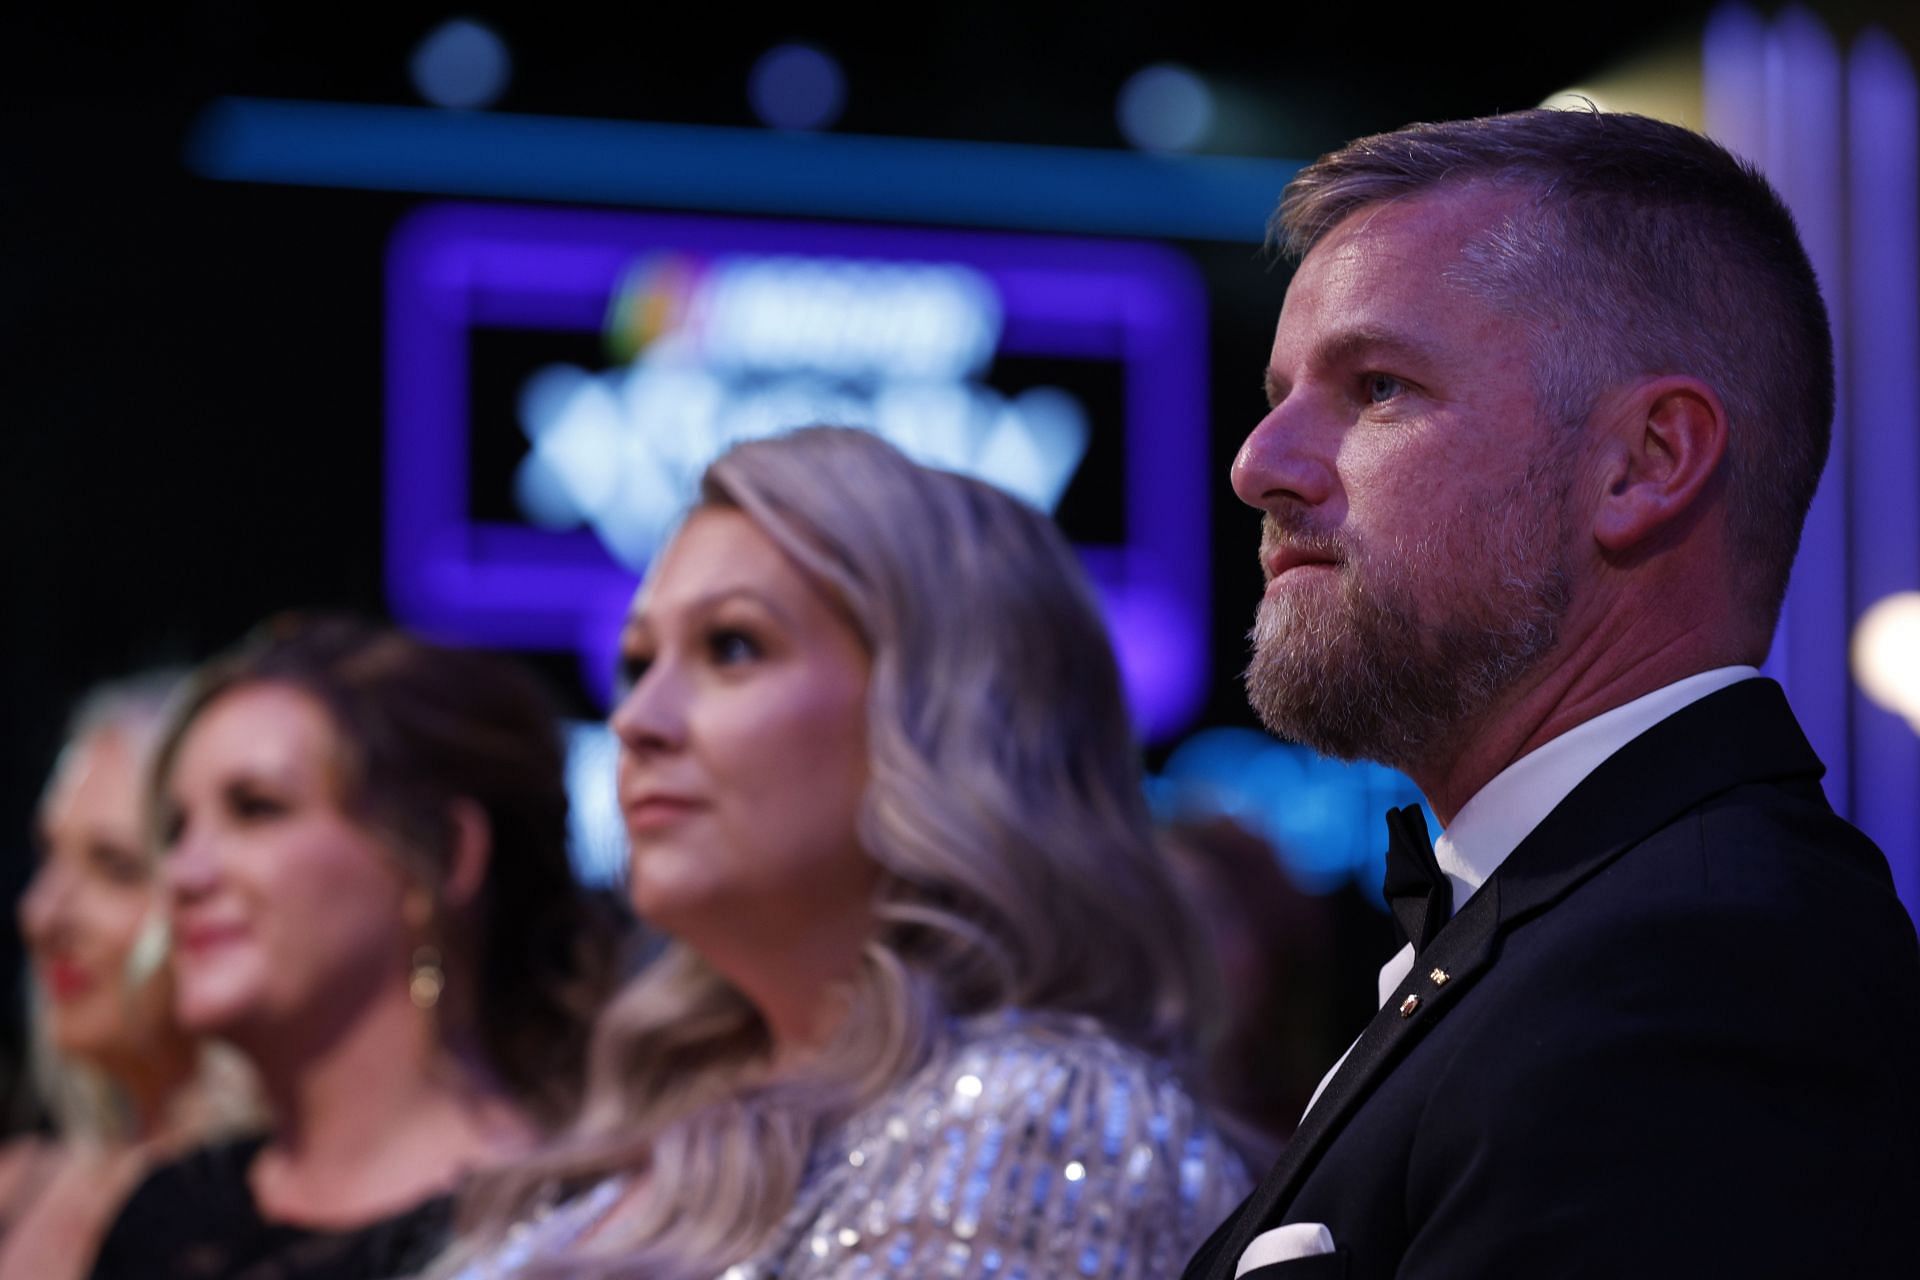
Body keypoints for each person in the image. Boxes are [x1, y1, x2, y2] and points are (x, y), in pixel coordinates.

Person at [1183, 108, 1920, 1279]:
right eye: (1280, 392)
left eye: (1377, 386)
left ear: (1647, 462)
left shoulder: (1706, 973)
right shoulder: (1600, 927)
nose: (1259, 463)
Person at [437, 425, 1250, 1279]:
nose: (637, 722)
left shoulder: (1047, 1119)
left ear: (947, 717)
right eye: (638, 663)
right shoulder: (645, 1124)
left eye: (732, 647)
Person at [89, 618, 625, 1280]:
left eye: (256, 808)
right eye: (177, 829)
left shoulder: (568, 1237)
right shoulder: (166, 1214)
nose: (183, 873)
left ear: (442, 858)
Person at [0, 674, 258, 1280]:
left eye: (114, 868)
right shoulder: (18, 1186)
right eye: (49, 857)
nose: (41, 915)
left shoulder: (284, 1216)